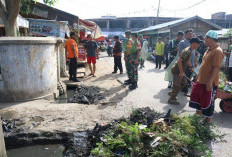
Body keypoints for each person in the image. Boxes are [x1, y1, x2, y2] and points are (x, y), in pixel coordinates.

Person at [189, 30, 224, 123]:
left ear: (211, 39)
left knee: (208, 103)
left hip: (209, 82)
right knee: (198, 101)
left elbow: (216, 68)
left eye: (205, 38)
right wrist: (198, 75)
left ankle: (208, 123)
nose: (204, 40)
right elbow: (203, 65)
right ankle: (197, 119)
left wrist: (210, 82)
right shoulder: (208, 49)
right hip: (201, 80)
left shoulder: (217, 51)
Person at [168, 37, 201, 105]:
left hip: (181, 69)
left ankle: (172, 93)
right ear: (194, 43)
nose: (199, 45)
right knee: (177, 85)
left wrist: (191, 66)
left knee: (184, 83)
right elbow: (179, 61)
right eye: (198, 44)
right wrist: (181, 72)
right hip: (177, 70)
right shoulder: (187, 51)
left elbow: (187, 60)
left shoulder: (190, 50)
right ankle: (171, 99)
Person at [178, 29, 194, 94]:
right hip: (185, 63)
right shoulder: (182, 43)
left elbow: (194, 53)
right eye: (189, 34)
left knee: (189, 76)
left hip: (191, 63)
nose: (190, 35)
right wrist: (188, 62)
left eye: (191, 34)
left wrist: (194, 62)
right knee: (185, 76)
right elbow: (180, 54)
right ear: (185, 35)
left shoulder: (193, 42)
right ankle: (185, 90)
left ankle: (184, 87)